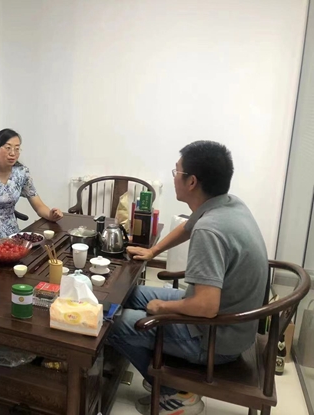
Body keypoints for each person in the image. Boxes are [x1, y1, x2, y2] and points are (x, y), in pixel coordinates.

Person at [109, 141, 268, 415]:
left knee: (112, 323)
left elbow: (206, 306)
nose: (174, 177)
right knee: (128, 294)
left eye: (177, 171)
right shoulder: (227, 204)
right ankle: (155, 372)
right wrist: (153, 251)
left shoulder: (210, 230)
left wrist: (163, 307)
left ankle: (175, 393)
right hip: (233, 323)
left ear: (192, 181)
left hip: (216, 338)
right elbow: (187, 227)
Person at [0, 128, 63, 265]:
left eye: (17, 148)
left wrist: (51, 215)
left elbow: (38, 205)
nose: (13, 153)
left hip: (10, 229)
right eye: (8, 148)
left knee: (18, 262)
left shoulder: (22, 172)